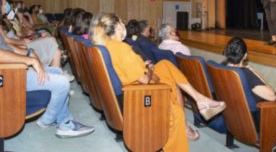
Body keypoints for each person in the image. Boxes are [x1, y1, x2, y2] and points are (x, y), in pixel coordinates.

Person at [90, 13, 226, 152]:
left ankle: (200, 99)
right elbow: (144, 79)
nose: (123, 25)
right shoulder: (121, 48)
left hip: (135, 89)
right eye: (121, 22)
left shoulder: (108, 45)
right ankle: (187, 116)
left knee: (165, 65)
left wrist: (148, 69)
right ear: (118, 27)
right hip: (142, 97)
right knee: (176, 112)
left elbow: (133, 72)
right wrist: (149, 70)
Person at [0, 33, 95, 138]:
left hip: (13, 69)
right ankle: (51, 121)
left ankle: (62, 121)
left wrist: (28, 52)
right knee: (62, 83)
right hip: (9, 75)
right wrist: (30, 60)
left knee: (57, 72)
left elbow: (5, 47)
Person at [223, 37, 276, 122]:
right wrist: (257, 74)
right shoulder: (244, 73)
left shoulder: (222, 68)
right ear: (245, 56)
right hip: (260, 116)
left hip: (238, 114)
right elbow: (273, 96)